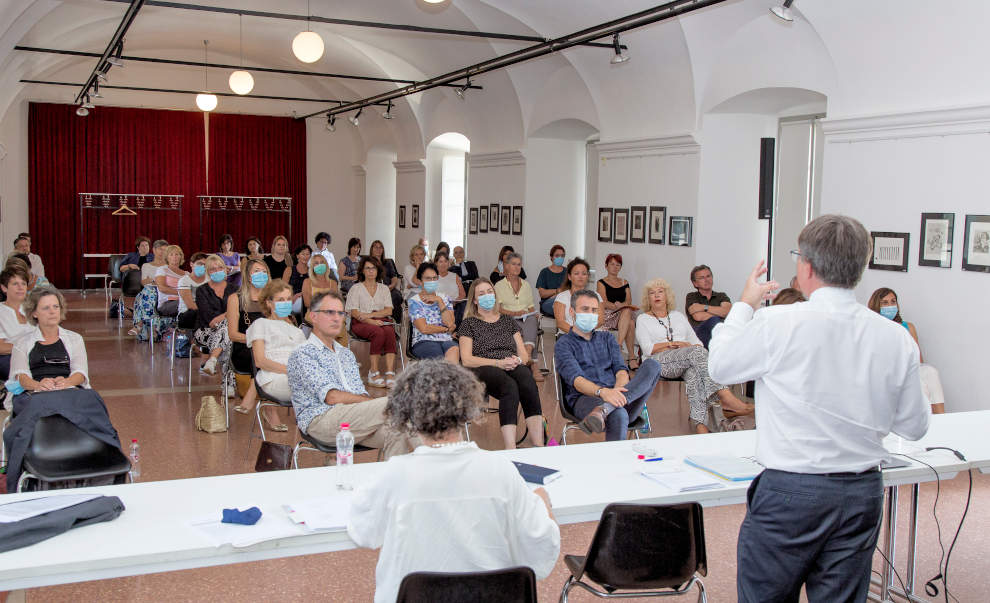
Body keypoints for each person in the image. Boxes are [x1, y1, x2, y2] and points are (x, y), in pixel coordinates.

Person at [707, 215, 931, 602]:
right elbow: (914, 426)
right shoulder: (895, 338)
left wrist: (744, 304)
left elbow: (720, 366)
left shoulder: (778, 322)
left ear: (806, 267)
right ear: (861, 268)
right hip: (861, 493)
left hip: (790, 492)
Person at [348, 359, 559, 603]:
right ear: (467, 408)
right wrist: (542, 504)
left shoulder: (395, 474)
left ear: (407, 414)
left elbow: (363, 532)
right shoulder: (500, 470)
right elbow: (540, 549)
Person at [287, 290, 416, 458]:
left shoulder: (346, 354)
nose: (336, 318)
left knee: (400, 430)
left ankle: (392, 482)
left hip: (354, 418)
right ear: (313, 317)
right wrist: (373, 405)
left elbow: (359, 392)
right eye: (329, 312)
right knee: (398, 402)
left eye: (340, 313)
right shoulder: (303, 353)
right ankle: (444, 458)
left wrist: (369, 406)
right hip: (321, 419)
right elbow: (332, 397)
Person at [635, 278, 753, 433]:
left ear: (667, 296)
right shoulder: (642, 319)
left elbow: (698, 344)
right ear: (647, 298)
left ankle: (700, 425)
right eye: (652, 293)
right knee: (696, 354)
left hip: (686, 359)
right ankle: (726, 397)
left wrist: (686, 347)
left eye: (660, 292)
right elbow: (648, 349)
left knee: (694, 373)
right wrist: (673, 344)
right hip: (657, 362)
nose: (656, 295)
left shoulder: (678, 316)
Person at [555, 290, 662, 441]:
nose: (590, 314)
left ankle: (604, 410)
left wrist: (615, 393)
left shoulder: (607, 338)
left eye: (594, 310)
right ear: (572, 312)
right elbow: (577, 381)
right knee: (618, 413)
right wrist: (604, 393)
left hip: (621, 398)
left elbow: (621, 371)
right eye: (585, 309)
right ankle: (616, 461)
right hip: (585, 399)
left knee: (653, 365)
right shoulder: (564, 344)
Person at [458, 279, 545, 449]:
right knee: (509, 386)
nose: (487, 296)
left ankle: (538, 444)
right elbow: (467, 359)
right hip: (482, 366)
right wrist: (499, 363)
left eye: (489, 292)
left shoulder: (507, 320)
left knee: (526, 378)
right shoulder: (468, 323)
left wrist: (517, 361)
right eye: (481, 294)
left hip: (508, 362)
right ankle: (510, 448)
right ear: (475, 300)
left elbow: (524, 355)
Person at [868, 287, 945, 414]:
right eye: (885, 303)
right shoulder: (871, 328)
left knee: (930, 372)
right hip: (886, 372)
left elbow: (919, 360)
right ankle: (922, 425)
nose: (890, 305)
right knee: (919, 386)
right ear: (877, 306)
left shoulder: (908, 327)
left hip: (909, 369)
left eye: (893, 301)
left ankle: (941, 419)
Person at [240, 279, 306, 428]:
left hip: (297, 376)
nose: (286, 303)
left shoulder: (298, 332)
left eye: (288, 299)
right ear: (269, 303)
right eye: (280, 300)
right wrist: (290, 370)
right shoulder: (261, 324)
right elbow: (260, 361)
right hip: (272, 377)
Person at [227, 259, 281, 429]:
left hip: (271, 349)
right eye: (257, 271)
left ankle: (252, 396)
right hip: (244, 348)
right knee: (261, 358)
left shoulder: (273, 300)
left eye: (264, 271)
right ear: (249, 277)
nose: (261, 275)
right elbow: (233, 334)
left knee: (271, 357)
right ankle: (271, 410)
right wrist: (256, 340)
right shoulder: (236, 299)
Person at [11, 288, 89, 391]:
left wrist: (66, 382)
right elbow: (21, 377)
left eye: (56, 307)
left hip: (68, 391)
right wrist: (38, 385)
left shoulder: (75, 339)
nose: (52, 311)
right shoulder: (22, 343)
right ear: (34, 313)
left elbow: (80, 373)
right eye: (46, 308)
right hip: (34, 393)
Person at [346, 257, 398, 388]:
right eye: (367, 268)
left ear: (378, 270)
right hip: (360, 322)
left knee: (389, 331)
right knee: (378, 332)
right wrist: (370, 320)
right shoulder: (356, 288)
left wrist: (372, 315)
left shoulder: (384, 288)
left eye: (373, 268)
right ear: (362, 271)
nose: (370, 271)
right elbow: (355, 312)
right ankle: (373, 372)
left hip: (380, 320)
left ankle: (390, 373)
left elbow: (389, 311)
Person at [494, 252, 542, 381]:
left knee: (532, 319)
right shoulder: (499, 286)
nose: (516, 267)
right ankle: (533, 366)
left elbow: (531, 306)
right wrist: (515, 313)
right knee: (524, 328)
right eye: (513, 264)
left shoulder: (526, 285)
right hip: (508, 319)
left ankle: (526, 352)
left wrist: (533, 313)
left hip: (526, 318)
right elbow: (498, 309)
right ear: (507, 266)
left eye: (519, 265)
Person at [194, 254, 236, 375]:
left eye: (220, 268)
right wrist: (229, 314)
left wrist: (225, 316)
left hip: (228, 331)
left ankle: (212, 359)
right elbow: (211, 319)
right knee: (230, 339)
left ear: (225, 269)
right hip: (205, 330)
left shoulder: (235, 289)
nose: (217, 271)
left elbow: (239, 311)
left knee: (229, 335)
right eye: (213, 269)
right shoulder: (201, 290)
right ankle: (228, 385)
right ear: (207, 272)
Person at [408, 262, 458, 362]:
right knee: (439, 357)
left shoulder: (444, 298)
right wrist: (445, 329)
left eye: (435, 278)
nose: (432, 281)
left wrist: (439, 301)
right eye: (428, 278)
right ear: (420, 281)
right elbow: (424, 329)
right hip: (423, 341)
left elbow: (450, 323)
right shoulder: (414, 301)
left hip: (446, 340)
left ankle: (451, 377)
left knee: (454, 350)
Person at [597, 254, 638, 368]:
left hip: (622, 314)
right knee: (629, 319)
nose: (615, 267)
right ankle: (631, 357)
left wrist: (622, 306)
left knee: (629, 317)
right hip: (608, 315)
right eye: (612, 264)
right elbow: (603, 302)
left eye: (618, 265)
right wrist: (619, 307)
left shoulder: (624, 282)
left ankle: (619, 346)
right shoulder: (601, 282)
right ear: (606, 266)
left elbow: (629, 301)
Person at [684, 265, 732, 348]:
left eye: (708, 276)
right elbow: (698, 316)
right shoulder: (691, 296)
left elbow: (727, 312)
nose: (706, 280)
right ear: (695, 283)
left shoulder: (721, 296)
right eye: (702, 278)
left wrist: (704, 308)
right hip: (700, 334)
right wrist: (721, 314)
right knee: (715, 320)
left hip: (720, 333)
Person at [130, 239, 168, 340]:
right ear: (154, 250)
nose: (162, 252)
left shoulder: (168, 266)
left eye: (165, 250)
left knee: (145, 294)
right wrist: (152, 279)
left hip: (162, 290)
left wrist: (157, 281)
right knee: (146, 292)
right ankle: (154, 328)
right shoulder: (146, 265)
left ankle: (139, 325)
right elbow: (143, 282)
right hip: (150, 289)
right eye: (160, 249)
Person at [0, 267, 33, 380]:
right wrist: (28, 348)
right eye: (15, 284)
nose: (20, 287)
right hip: (9, 358)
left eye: (23, 284)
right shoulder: (1, 311)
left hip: (35, 355)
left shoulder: (32, 310)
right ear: (4, 288)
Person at [554, 258, 603, 333]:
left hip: (592, 335)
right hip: (570, 335)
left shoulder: (596, 296)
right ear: (569, 277)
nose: (580, 276)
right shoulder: (562, 297)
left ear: (588, 276)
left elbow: (600, 320)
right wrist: (577, 333)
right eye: (576, 273)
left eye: (584, 274)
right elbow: (560, 323)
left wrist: (587, 332)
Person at [369, 240, 402, 324]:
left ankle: (394, 323)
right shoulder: (368, 263)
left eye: (380, 247)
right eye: (376, 247)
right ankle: (381, 319)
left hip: (389, 287)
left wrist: (392, 285)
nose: (378, 249)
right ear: (371, 249)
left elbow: (394, 276)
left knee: (397, 296)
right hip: (374, 288)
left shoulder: (388, 262)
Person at [176, 252, 208, 329]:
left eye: (205, 265)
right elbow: (191, 305)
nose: (202, 266)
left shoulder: (209, 279)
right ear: (191, 264)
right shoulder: (184, 280)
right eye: (200, 264)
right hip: (187, 314)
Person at [153, 245, 187, 319]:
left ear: (181, 256)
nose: (174, 257)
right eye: (171, 254)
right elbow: (162, 288)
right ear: (167, 257)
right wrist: (181, 292)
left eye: (177, 254)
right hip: (167, 303)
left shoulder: (187, 274)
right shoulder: (162, 270)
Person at [433, 250, 466, 325]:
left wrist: (455, 302)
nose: (443, 264)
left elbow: (462, 294)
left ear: (448, 263)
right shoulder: (433, 277)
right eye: (440, 262)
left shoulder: (455, 276)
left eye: (445, 261)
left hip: (455, 306)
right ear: (436, 263)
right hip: (439, 307)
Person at [536, 244, 567, 317]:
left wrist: (557, 295)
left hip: (565, 302)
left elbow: (571, 290)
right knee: (560, 302)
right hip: (547, 303)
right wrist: (557, 291)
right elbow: (542, 293)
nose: (560, 258)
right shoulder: (544, 272)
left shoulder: (567, 272)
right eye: (557, 255)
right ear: (551, 257)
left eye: (562, 256)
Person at [287, 244, 312, 315]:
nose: (305, 256)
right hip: (290, 300)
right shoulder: (289, 269)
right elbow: (283, 288)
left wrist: (300, 294)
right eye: (303, 254)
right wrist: (292, 297)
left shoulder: (312, 271)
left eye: (307, 254)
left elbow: (314, 288)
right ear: (297, 256)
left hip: (306, 300)